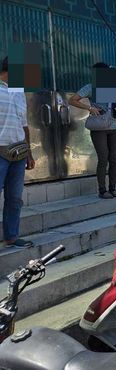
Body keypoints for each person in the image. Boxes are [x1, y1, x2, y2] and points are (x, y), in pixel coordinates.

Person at [69, 63, 116, 199]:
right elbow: (72, 100)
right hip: (98, 128)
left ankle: (113, 188)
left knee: (114, 159)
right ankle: (102, 190)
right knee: (103, 158)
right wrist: (89, 108)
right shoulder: (90, 87)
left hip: (115, 127)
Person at [0, 56, 35, 248]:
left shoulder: (19, 93)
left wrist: (29, 153)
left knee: (14, 198)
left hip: (18, 154)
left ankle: (11, 236)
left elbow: (25, 125)